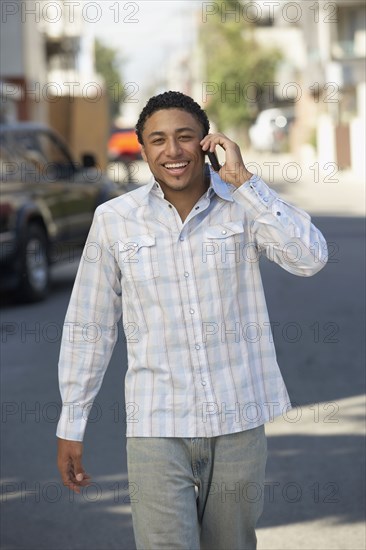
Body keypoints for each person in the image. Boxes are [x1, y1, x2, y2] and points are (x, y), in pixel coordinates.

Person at [56, 91, 328, 550]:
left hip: (239, 418)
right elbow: (90, 324)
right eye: (158, 140)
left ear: (208, 143)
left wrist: (246, 184)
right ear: (142, 151)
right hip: (156, 424)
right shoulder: (115, 220)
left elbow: (311, 258)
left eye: (185, 137)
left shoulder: (244, 207)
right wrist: (71, 422)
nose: (173, 150)